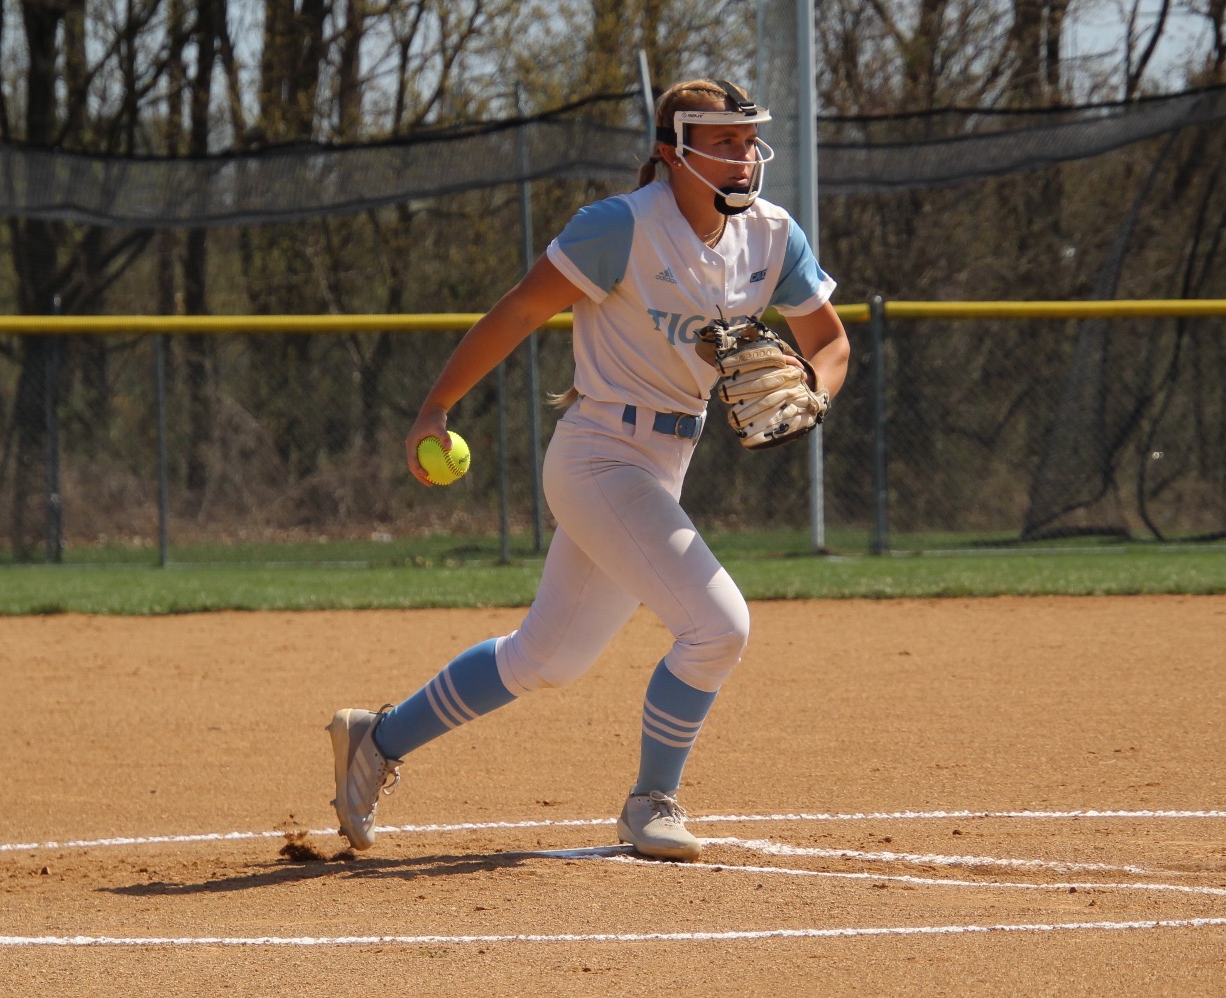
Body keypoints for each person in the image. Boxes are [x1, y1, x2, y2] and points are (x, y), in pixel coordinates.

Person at [326, 78, 850, 860]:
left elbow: (831, 344)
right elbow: (518, 311)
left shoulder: (773, 236)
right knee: (717, 626)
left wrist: (814, 389)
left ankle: (377, 737)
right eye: (723, 141)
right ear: (674, 152)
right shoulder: (621, 228)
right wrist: (436, 406)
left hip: (667, 460)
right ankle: (652, 802)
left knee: (545, 658)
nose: (743, 158)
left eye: (749, 142)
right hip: (598, 453)